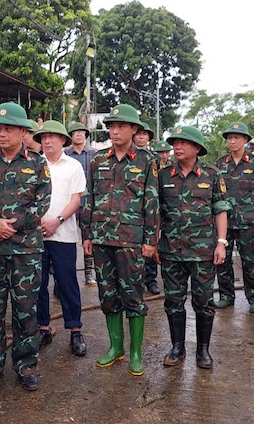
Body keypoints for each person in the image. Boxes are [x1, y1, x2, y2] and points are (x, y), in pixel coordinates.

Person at [0, 102, 51, 392]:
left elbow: (42, 202)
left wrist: (13, 225)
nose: (1, 134)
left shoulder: (38, 163)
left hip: (25, 251)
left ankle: (26, 365)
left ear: (22, 131)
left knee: (24, 310)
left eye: (8, 129)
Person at [81, 104, 158, 376]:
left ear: (134, 129)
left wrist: (150, 240)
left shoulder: (148, 161)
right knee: (108, 295)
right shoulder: (98, 160)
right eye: (111, 126)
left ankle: (136, 352)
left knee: (134, 295)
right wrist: (87, 234)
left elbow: (152, 202)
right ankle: (116, 347)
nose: (114, 131)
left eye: (120, 126)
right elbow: (88, 198)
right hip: (101, 238)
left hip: (131, 240)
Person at [157, 126, 229, 369]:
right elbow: (156, 211)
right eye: (175, 142)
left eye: (184, 143)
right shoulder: (163, 175)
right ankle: (178, 347)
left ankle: (203, 350)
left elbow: (220, 209)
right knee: (173, 300)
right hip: (171, 250)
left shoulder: (212, 174)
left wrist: (221, 243)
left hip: (203, 251)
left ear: (197, 148)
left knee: (204, 301)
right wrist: (155, 240)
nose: (177, 146)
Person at [34, 121, 88, 356]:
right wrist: (37, 222)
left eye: (52, 137)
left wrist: (57, 220)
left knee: (67, 284)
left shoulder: (73, 166)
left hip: (63, 235)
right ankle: (42, 328)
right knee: (38, 284)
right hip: (35, 235)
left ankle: (75, 330)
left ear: (63, 140)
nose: (47, 140)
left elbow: (76, 200)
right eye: (44, 137)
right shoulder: (34, 164)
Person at [214, 122, 254, 313]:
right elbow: (216, 193)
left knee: (250, 261)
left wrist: (252, 211)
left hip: (248, 221)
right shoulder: (221, 164)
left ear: (246, 140)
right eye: (230, 138)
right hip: (225, 222)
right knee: (223, 261)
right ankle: (226, 296)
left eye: (237, 137)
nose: (232, 141)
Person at [64, 121, 97, 286]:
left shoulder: (93, 154)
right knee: (65, 238)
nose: (79, 134)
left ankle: (89, 273)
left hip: (87, 202)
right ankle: (61, 277)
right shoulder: (65, 154)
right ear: (70, 135)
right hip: (68, 201)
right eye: (75, 132)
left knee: (88, 237)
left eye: (82, 132)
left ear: (86, 136)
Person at [133, 122, 160, 295]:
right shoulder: (132, 156)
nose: (142, 137)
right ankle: (138, 281)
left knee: (150, 245)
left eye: (145, 134)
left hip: (150, 208)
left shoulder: (153, 158)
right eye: (139, 134)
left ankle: (151, 280)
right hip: (133, 211)